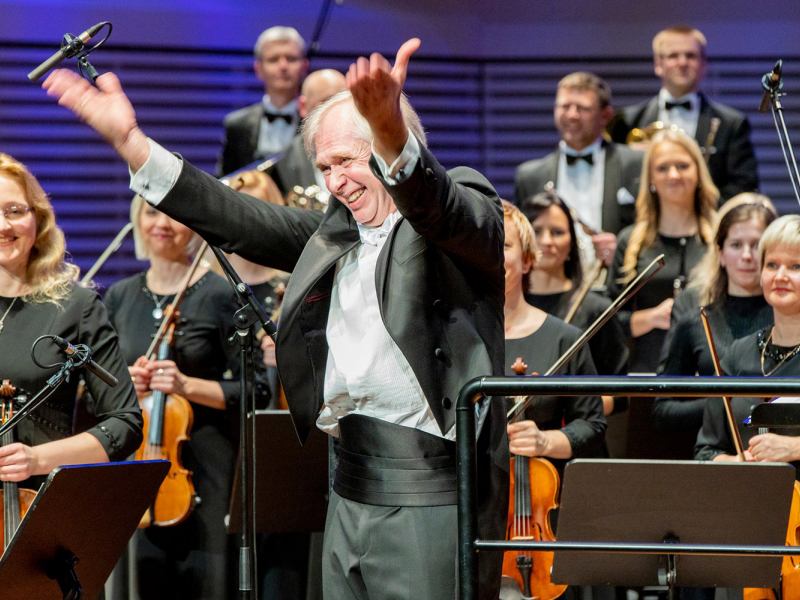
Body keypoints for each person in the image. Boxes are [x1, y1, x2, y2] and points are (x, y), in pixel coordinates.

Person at [43, 38, 508, 600]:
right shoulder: (333, 235)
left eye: (350, 160)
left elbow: (437, 203)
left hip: (430, 491)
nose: (336, 181)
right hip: (346, 484)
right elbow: (231, 213)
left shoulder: (460, 211)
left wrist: (390, 133)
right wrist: (132, 143)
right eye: (325, 166)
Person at [104, 194, 240, 599]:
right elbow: (95, 389)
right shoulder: (119, 296)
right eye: (151, 212)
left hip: (204, 464)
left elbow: (254, 390)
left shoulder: (220, 294)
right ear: (137, 221)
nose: (162, 223)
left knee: (206, 581)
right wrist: (126, 383)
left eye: (175, 215)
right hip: (139, 459)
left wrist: (185, 386)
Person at [0, 153, 142, 490]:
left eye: (15, 211)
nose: (4, 225)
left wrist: (37, 459)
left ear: (40, 220)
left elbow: (125, 423)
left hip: (35, 503)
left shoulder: (76, 307)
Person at [501, 200, 605, 600]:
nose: (493, 255)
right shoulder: (453, 337)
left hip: (536, 520)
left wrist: (544, 442)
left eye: (505, 245)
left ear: (527, 261)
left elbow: (592, 424)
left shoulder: (564, 338)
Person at [654, 194, 777, 451]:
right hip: (715, 458)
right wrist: (724, 402)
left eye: (756, 245)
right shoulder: (696, 321)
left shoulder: (788, 319)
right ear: (720, 254)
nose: (746, 256)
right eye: (735, 245)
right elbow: (663, 411)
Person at [607, 129, 717, 375]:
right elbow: (608, 322)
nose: (674, 174)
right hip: (645, 374)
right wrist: (651, 318)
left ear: (699, 172)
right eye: (663, 168)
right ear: (651, 179)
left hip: (708, 374)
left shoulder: (720, 237)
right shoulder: (629, 241)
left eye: (683, 165)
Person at [695, 214, 800, 471]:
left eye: (795, 266)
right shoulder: (737, 354)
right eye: (772, 265)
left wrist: (793, 448)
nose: (781, 276)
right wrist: (739, 461)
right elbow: (706, 452)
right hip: (749, 502)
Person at [608, 25, 758, 201]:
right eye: (673, 56)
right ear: (658, 64)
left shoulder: (732, 123)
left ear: (703, 64)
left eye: (690, 56)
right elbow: (615, 185)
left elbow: (743, 189)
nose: (682, 62)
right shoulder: (628, 121)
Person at [514, 72, 643, 267]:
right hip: (554, 288)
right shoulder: (529, 176)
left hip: (616, 285)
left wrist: (625, 247)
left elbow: (654, 228)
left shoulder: (636, 164)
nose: (572, 115)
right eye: (565, 106)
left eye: (582, 108)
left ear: (606, 115)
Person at [519, 191, 629, 416]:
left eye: (557, 232)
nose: (546, 241)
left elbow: (621, 393)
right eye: (536, 231)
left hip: (577, 439)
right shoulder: (505, 306)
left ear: (572, 243)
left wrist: (571, 412)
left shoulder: (596, 309)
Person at [216, 26, 309, 176]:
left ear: (304, 67)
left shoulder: (315, 123)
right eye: (273, 60)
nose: (283, 66)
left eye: (291, 59)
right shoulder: (237, 125)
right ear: (258, 69)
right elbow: (223, 182)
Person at [270, 69, 348, 197]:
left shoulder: (370, 150)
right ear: (303, 107)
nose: (337, 111)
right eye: (327, 102)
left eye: (342, 101)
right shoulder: (283, 164)